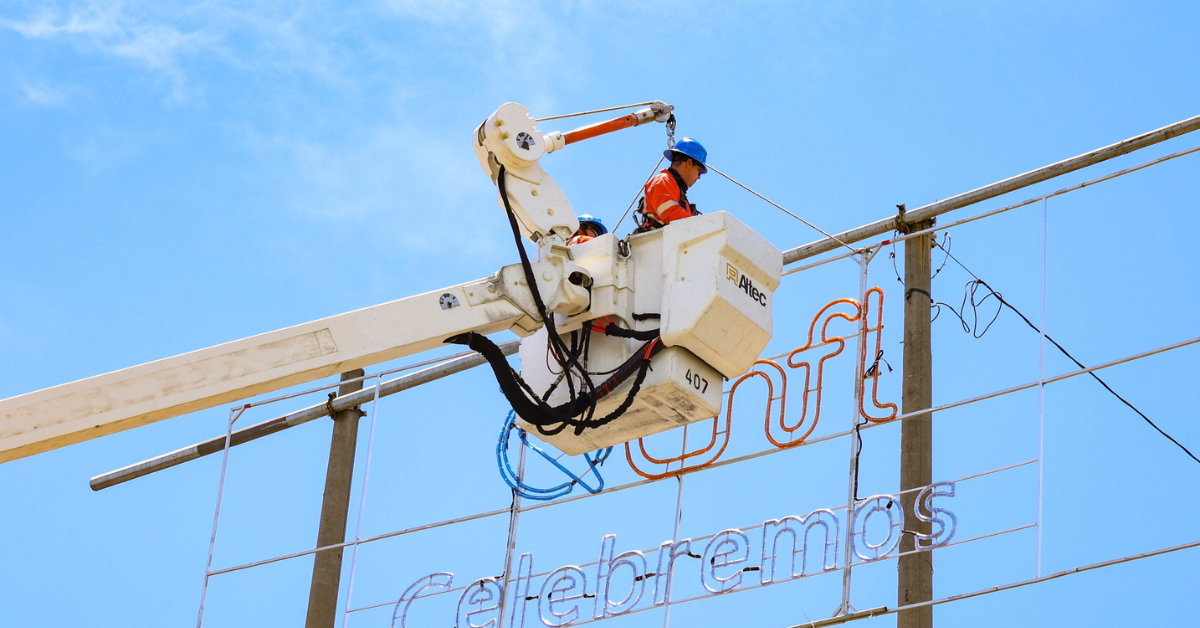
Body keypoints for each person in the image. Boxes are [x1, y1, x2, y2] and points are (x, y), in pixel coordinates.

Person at [638, 138, 707, 231]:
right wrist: (700, 226)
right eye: (699, 171)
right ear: (689, 163)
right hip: (659, 239)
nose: (699, 177)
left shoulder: (677, 191)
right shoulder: (663, 181)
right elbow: (672, 214)